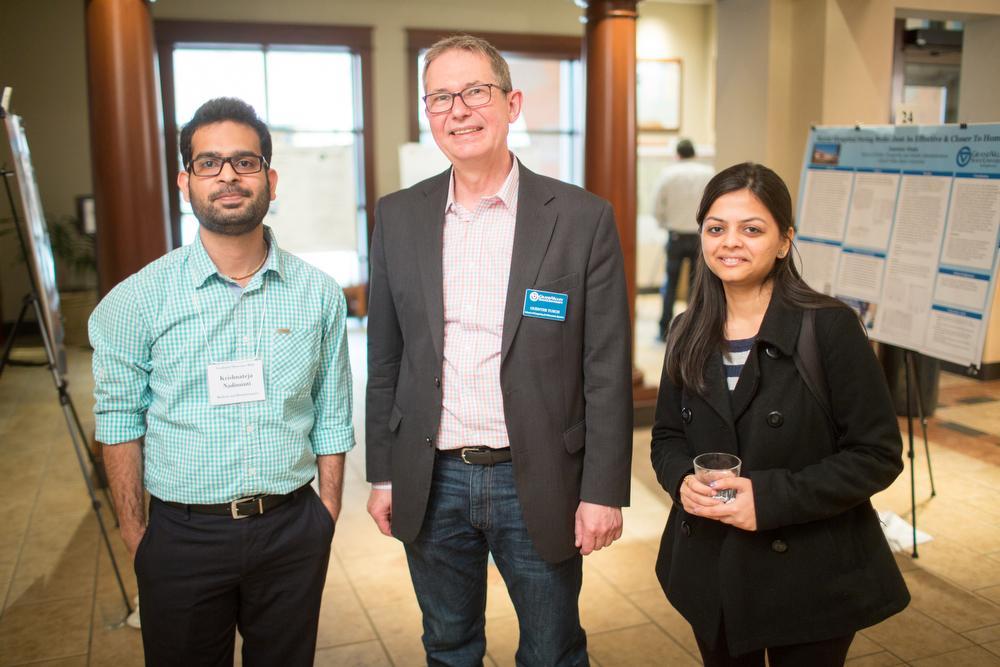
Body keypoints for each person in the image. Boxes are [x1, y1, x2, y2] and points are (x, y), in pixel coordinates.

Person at [365, 35, 632, 665]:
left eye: (475, 92)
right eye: (440, 97)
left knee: (552, 650)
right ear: (428, 114)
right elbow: (385, 359)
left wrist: (603, 490)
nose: (458, 110)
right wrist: (384, 473)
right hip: (433, 476)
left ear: (512, 104)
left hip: (537, 475)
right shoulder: (398, 216)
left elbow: (606, 367)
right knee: (448, 645)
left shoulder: (580, 217)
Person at [89, 97, 354, 666]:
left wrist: (326, 510)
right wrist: (137, 534)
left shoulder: (318, 294)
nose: (228, 175)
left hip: (291, 528)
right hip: (183, 536)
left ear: (270, 180)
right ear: (185, 182)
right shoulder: (135, 301)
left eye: (245, 161)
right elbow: (118, 422)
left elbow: (332, 411)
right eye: (208, 163)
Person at [650, 162, 909, 666]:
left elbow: (877, 454)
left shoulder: (829, 326)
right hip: (711, 566)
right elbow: (666, 437)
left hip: (810, 574)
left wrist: (769, 499)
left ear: (785, 241)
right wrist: (681, 480)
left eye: (752, 229)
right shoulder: (686, 329)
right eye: (716, 229)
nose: (730, 242)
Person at [653, 138, 714, 341]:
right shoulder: (708, 173)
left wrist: (665, 224)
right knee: (697, 284)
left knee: (670, 283)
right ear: (694, 153)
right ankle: (693, 329)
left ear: (677, 154)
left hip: (676, 235)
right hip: (700, 236)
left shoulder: (668, 174)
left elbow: (657, 206)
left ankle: (664, 330)